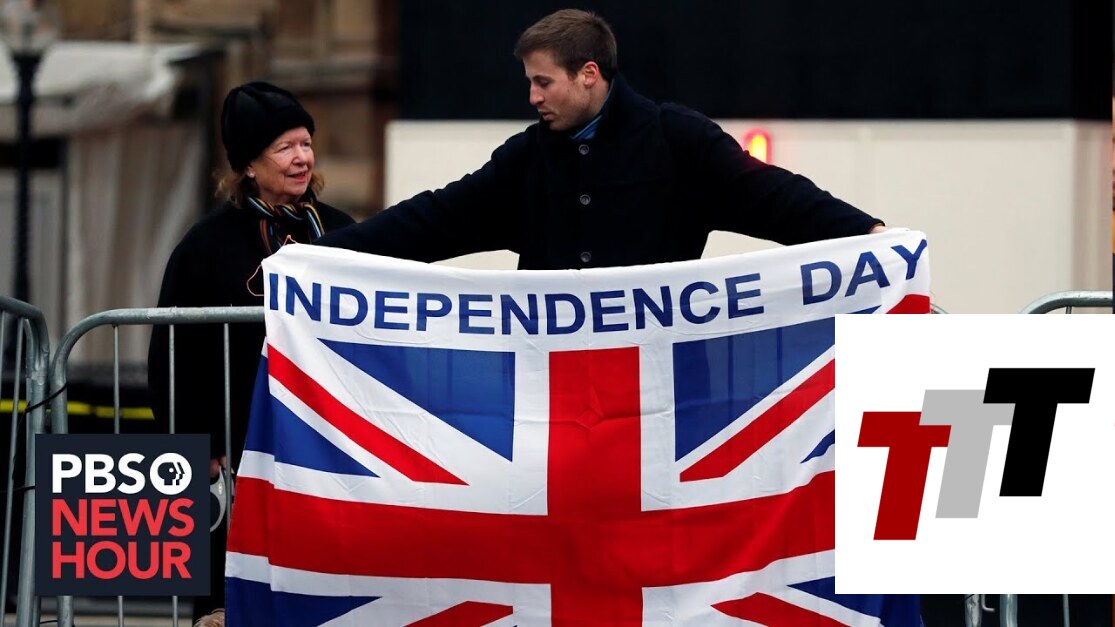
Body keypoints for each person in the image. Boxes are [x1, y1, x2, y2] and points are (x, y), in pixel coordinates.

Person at [316, 9, 884, 268]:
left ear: (589, 74)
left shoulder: (677, 140)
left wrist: (866, 234)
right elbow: (432, 220)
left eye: (543, 82)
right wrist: (324, 258)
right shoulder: (526, 159)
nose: (531, 97)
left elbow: (776, 197)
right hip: (549, 393)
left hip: (658, 397)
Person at [147, 81, 353, 621]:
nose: (302, 157)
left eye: (306, 143)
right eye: (285, 147)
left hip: (328, 444)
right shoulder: (205, 245)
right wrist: (195, 443)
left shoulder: (343, 231)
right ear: (248, 166)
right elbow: (173, 350)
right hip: (236, 452)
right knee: (231, 588)